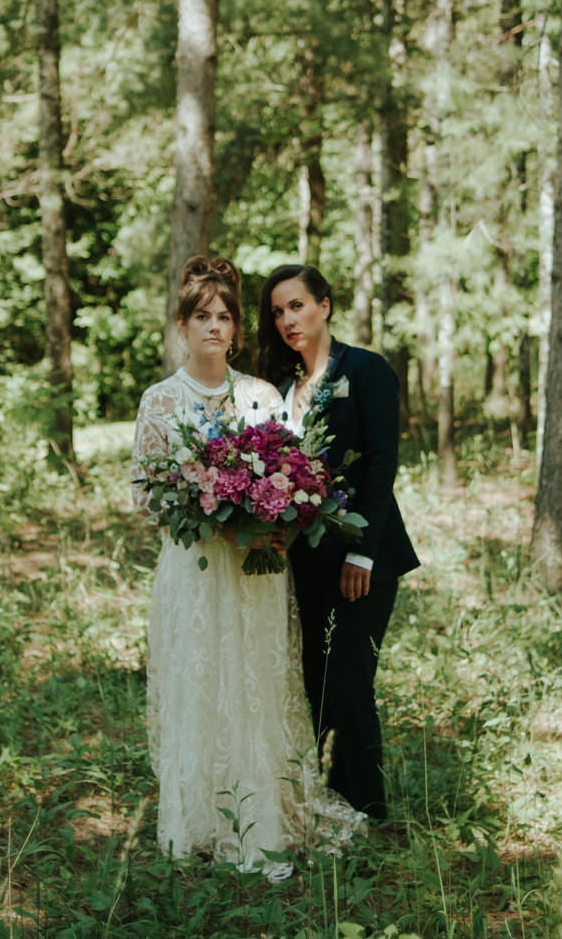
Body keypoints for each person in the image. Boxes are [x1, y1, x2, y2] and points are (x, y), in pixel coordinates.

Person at [131, 256, 365, 874]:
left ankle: (262, 816)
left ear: (237, 328)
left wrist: (267, 516)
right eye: (202, 316)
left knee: (256, 683)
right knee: (199, 682)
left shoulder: (260, 396)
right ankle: (199, 821)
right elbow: (143, 495)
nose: (214, 327)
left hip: (256, 569)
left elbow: (296, 479)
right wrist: (197, 502)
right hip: (193, 571)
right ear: (182, 325)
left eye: (225, 317)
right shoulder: (159, 402)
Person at [259, 263, 420, 822]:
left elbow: (381, 466)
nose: (287, 320)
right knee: (317, 684)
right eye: (278, 311)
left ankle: (371, 814)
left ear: (325, 306)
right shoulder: (279, 386)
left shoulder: (367, 369)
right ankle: (330, 799)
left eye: (297, 306)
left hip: (363, 558)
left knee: (351, 682)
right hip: (303, 560)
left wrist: (361, 550)